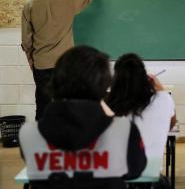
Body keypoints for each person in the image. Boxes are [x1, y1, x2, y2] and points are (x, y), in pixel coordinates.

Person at [19, 46, 146, 189]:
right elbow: (135, 171)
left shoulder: (28, 134)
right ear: (104, 83)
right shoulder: (124, 131)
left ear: (56, 80)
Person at [21, 0, 95, 120]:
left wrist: (30, 59)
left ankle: (42, 139)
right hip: (64, 63)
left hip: (41, 63)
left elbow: (26, 39)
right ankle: (65, 138)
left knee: (43, 103)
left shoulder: (29, 4)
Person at [107, 53, 176, 161]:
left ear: (116, 80)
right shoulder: (164, 99)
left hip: (116, 173)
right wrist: (161, 89)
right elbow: (170, 124)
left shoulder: (108, 105)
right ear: (144, 77)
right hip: (150, 174)